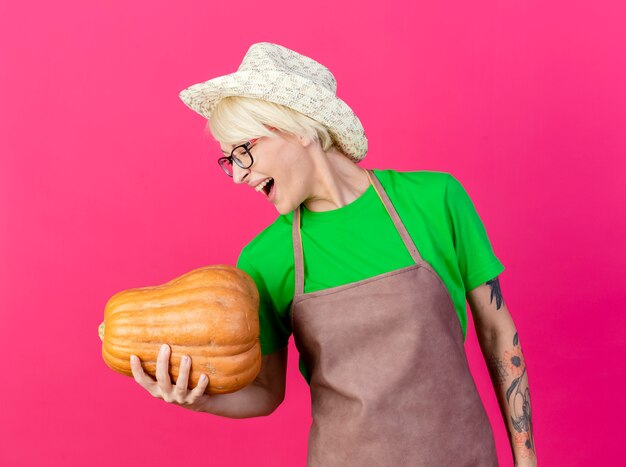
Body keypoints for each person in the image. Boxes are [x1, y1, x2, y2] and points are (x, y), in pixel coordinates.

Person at [129, 42, 537, 466]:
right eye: (228, 160)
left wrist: (526, 462)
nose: (238, 175)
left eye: (244, 150)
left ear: (300, 128)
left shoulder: (435, 200)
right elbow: (267, 393)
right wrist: (194, 400)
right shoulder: (264, 259)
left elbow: (496, 332)